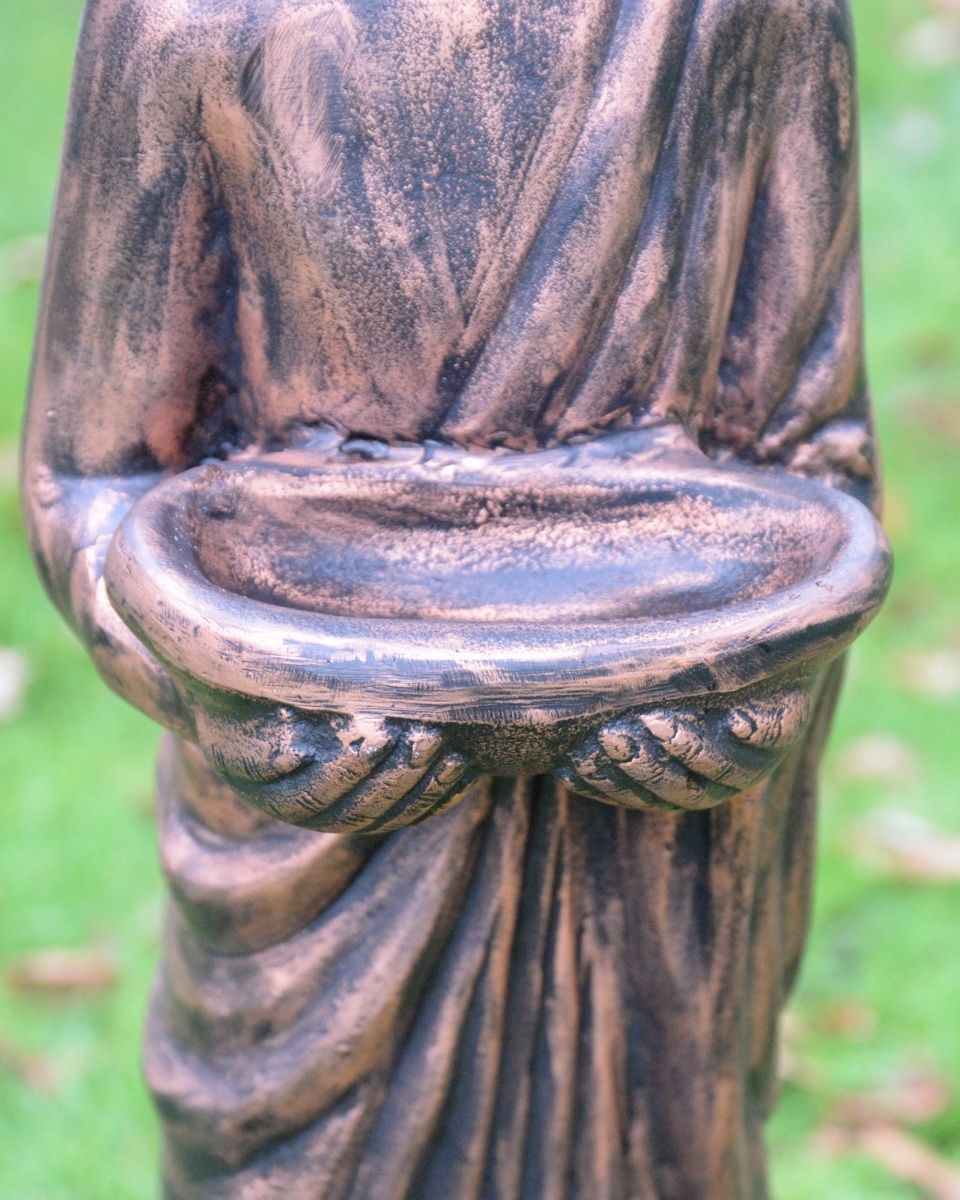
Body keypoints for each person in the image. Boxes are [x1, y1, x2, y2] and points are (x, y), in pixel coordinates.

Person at [23, 1, 878, 1196]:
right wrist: (237, 706)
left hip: (656, 863)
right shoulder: (184, 22)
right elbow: (91, 482)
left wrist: (738, 692)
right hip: (317, 844)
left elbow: (814, 462)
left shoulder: (750, 16)